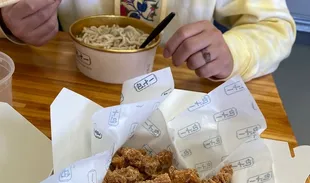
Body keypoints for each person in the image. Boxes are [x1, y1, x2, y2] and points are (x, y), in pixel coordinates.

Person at [0, 0, 296, 82]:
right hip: (72, 86)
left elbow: (275, 25)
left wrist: (233, 51)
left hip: (176, 95)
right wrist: (8, 25)